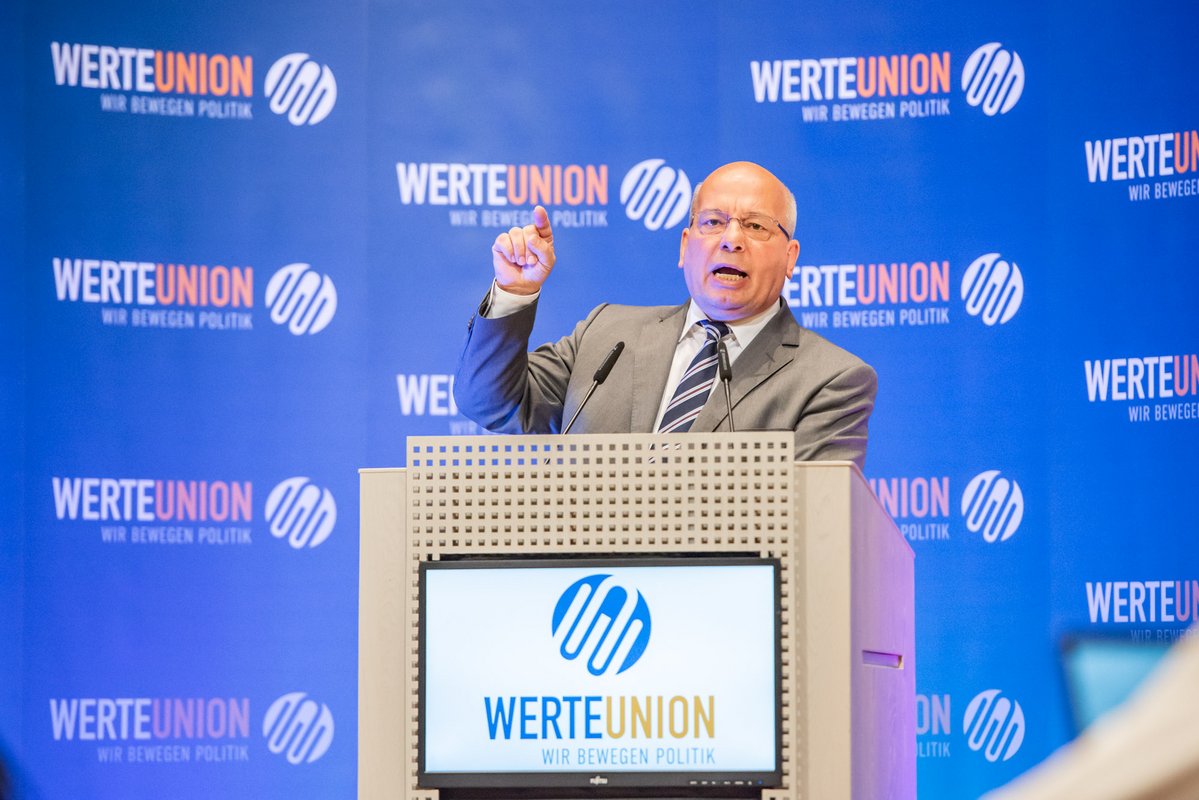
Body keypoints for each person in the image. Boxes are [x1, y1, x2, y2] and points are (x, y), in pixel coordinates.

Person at [453, 161, 877, 467]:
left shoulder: (830, 380)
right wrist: (514, 292)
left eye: (756, 226)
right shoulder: (607, 336)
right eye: (713, 222)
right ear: (684, 246)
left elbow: (815, 525)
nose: (731, 240)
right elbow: (489, 403)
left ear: (790, 257)